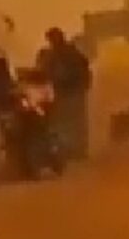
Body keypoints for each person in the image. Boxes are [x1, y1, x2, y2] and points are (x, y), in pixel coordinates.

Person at [39, 27, 94, 161]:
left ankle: (79, 151)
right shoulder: (53, 55)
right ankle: (72, 150)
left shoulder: (71, 54)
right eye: (51, 39)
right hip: (63, 92)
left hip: (73, 91)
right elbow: (45, 72)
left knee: (75, 122)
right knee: (66, 122)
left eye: (53, 39)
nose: (52, 42)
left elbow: (82, 71)